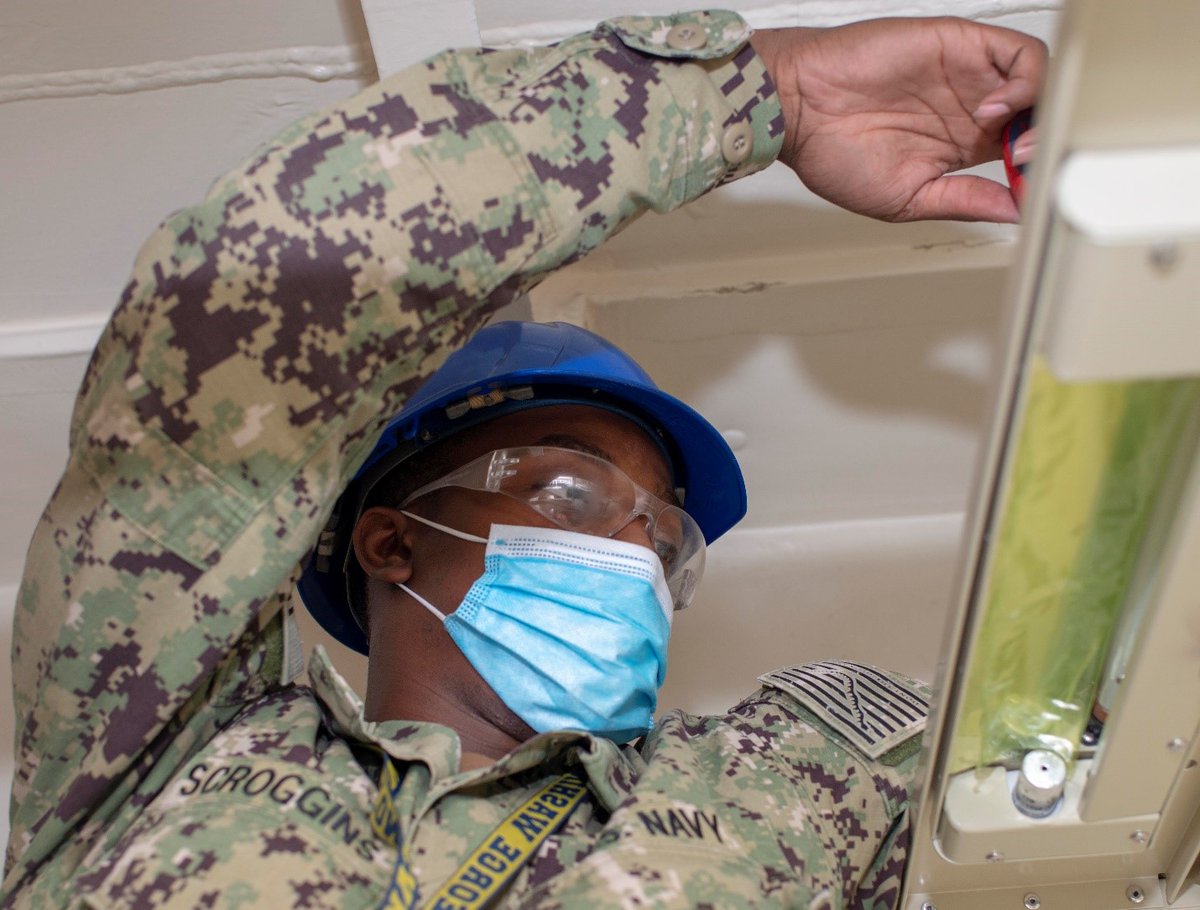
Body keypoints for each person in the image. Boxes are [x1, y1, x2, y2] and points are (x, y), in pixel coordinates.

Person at [2, 10, 1045, 909]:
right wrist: (766, 93)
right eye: (575, 490)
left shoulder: (774, 794)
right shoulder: (167, 759)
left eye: (663, 532)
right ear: (391, 539)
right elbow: (253, 294)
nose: (637, 551)